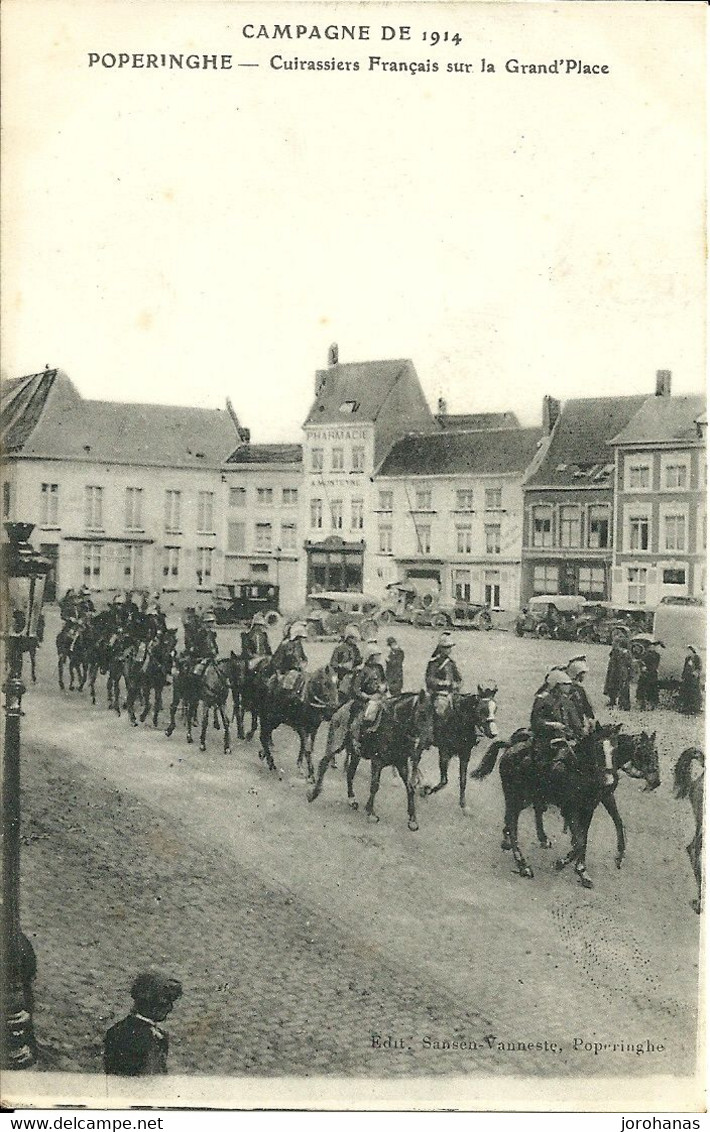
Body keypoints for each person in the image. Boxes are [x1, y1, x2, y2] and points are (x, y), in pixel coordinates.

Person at [103, 971, 182, 1076]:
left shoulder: (160, 1036)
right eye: (164, 1002)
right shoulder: (121, 1033)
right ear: (146, 1000)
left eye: (170, 1002)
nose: (169, 1008)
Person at [530, 668, 577, 774]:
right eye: (564, 684)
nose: (568, 686)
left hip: (567, 737)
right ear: (556, 685)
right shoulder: (542, 700)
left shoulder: (567, 702)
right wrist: (552, 725)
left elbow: (575, 722)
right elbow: (535, 721)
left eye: (568, 684)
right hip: (547, 738)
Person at [349, 643, 388, 757]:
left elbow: (384, 681)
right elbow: (356, 689)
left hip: (380, 696)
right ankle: (359, 740)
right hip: (366, 699)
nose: (379, 657)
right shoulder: (362, 670)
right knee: (368, 716)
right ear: (371, 656)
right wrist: (368, 696)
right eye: (377, 655)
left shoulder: (379, 668)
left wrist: (384, 687)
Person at [329, 625, 362, 701]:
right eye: (353, 638)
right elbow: (333, 663)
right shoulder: (339, 648)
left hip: (354, 674)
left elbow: (358, 661)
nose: (355, 640)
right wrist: (342, 665)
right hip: (342, 676)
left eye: (355, 638)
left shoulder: (355, 649)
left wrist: (359, 665)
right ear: (348, 638)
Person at [272, 622, 308, 691]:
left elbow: (303, 657)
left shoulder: (298, 645)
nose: (300, 640)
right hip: (286, 672)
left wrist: (304, 663)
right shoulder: (285, 644)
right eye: (299, 637)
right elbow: (277, 661)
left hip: (299, 671)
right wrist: (279, 674)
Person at [425, 632, 462, 698]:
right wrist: (443, 683)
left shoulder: (451, 663)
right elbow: (430, 679)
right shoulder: (434, 662)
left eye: (449, 647)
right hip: (438, 694)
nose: (449, 650)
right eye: (446, 647)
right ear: (441, 648)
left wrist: (456, 684)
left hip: (451, 693)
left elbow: (458, 679)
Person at [564, 655, 595, 732]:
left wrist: (590, 720)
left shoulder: (580, 689)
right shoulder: (569, 690)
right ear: (577, 673)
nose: (584, 676)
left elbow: (587, 708)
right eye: (583, 673)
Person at [604, 641, 632, 710]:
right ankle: (622, 703)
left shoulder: (618, 652)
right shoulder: (625, 652)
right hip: (620, 671)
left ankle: (617, 702)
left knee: (615, 685)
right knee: (621, 686)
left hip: (616, 670)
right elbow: (629, 663)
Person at [637, 641, 662, 710]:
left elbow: (655, 665)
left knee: (652, 689)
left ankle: (652, 704)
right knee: (643, 689)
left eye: (653, 647)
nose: (652, 648)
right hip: (646, 674)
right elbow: (641, 662)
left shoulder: (656, 655)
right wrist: (643, 667)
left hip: (652, 674)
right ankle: (643, 704)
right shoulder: (645, 654)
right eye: (650, 647)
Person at [679, 645, 703, 715]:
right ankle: (687, 708)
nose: (688, 652)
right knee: (686, 691)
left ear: (692, 651)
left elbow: (699, 667)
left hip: (693, 679)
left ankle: (695, 708)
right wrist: (683, 675)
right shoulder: (687, 658)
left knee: (694, 692)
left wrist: (695, 672)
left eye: (689, 650)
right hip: (687, 677)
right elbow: (685, 667)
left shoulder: (697, 657)